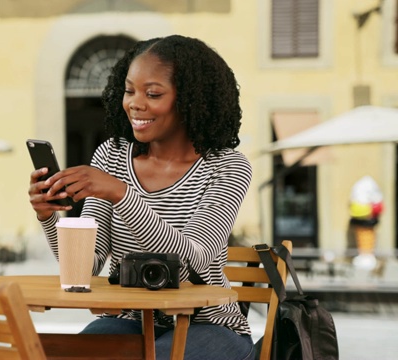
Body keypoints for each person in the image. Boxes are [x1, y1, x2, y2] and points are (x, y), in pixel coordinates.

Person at [28, 34, 253, 360]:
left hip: (208, 325)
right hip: (129, 321)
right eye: (129, 90)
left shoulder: (227, 167)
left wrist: (121, 193)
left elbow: (195, 258)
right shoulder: (111, 156)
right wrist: (49, 216)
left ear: (190, 99)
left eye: (153, 94)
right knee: (69, 355)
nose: (135, 103)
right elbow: (86, 267)